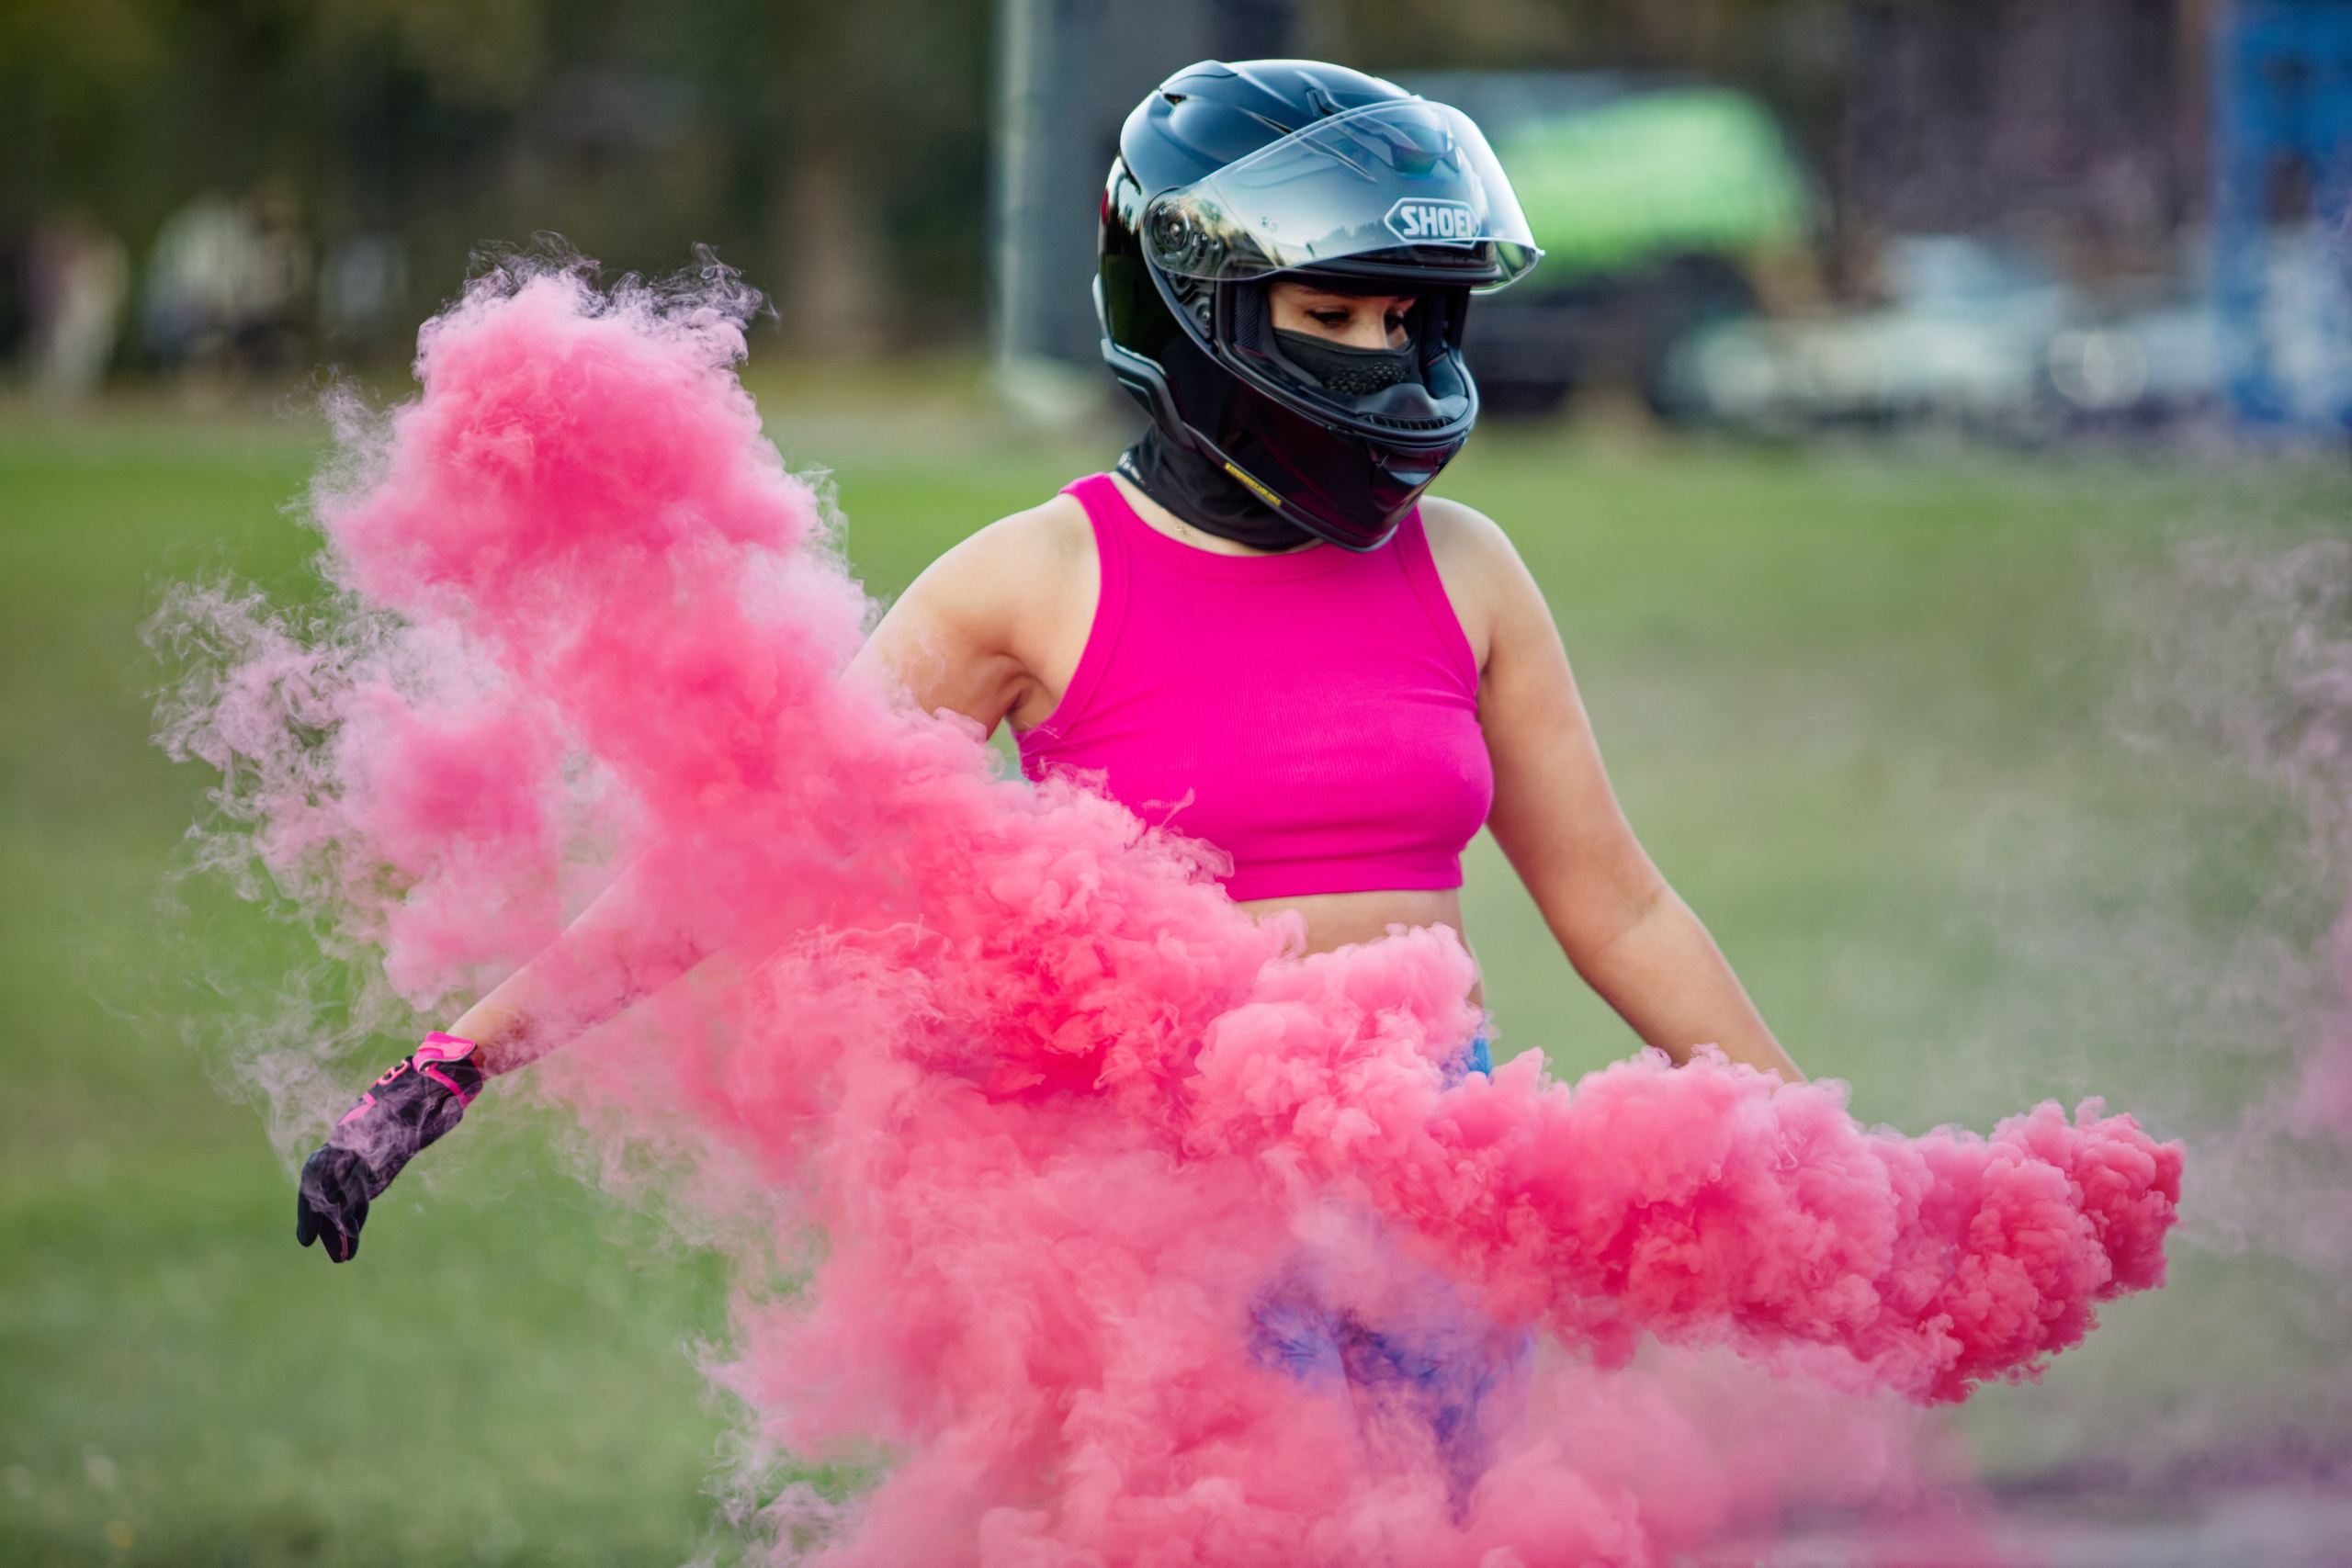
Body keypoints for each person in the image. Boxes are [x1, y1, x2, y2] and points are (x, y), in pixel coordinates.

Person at [300, 60, 1798, 1289]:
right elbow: (745, 858)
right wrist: (451, 1067)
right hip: (1174, 1200)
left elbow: (1622, 904)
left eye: (1406, 318)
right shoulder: (1034, 581)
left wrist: (1812, 1155)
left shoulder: (1466, 566)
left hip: (1437, 1170)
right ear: (1193, 316)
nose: (1384, 359)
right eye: (1330, 315)